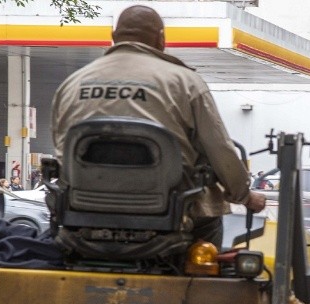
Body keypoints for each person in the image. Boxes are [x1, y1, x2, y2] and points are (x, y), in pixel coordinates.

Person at [51, 5, 265, 248]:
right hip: (170, 215)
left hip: (83, 213)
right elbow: (220, 151)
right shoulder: (186, 83)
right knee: (209, 220)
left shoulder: (71, 85)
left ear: (114, 37)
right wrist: (244, 196)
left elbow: (61, 150)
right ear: (161, 39)